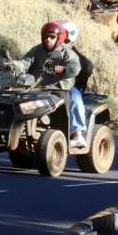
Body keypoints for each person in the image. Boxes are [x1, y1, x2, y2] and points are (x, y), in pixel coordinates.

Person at [23, 21, 86, 151]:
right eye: (46, 36)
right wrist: (13, 65)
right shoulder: (37, 50)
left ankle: (75, 133)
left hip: (60, 88)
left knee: (70, 100)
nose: (48, 39)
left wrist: (63, 69)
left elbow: (76, 67)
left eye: (52, 37)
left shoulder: (67, 52)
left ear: (58, 38)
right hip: (38, 88)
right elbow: (25, 61)